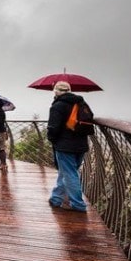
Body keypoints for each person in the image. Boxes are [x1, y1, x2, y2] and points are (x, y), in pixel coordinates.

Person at [47, 81, 89, 212]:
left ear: (56, 92)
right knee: (66, 172)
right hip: (81, 145)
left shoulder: (58, 106)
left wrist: (52, 140)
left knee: (70, 174)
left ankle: (78, 204)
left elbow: (53, 128)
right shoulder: (81, 103)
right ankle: (56, 198)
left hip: (65, 146)